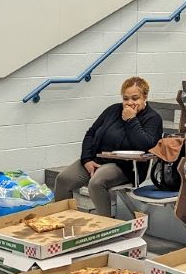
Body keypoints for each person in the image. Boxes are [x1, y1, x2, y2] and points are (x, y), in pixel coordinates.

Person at [56, 76, 164, 217]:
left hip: (126, 167)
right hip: (97, 159)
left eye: (135, 98)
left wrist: (131, 119)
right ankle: (63, 221)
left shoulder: (153, 118)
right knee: (63, 179)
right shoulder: (113, 110)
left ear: (145, 97)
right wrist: (87, 160)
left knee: (96, 183)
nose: (129, 103)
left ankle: (105, 227)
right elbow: (91, 133)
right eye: (125, 98)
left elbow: (145, 145)